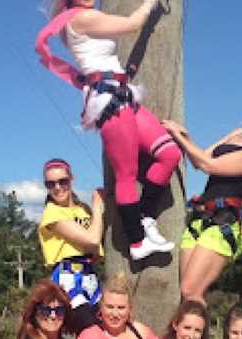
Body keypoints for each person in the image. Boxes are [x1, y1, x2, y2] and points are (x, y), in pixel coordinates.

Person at [36, 0, 182, 261]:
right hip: (109, 99)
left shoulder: (77, 19)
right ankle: (137, 242)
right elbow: (132, 24)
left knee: (169, 153)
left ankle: (146, 217)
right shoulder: (80, 18)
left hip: (122, 95)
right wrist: (151, 3)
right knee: (126, 174)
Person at [161, 96, 242, 303]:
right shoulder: (237, 136)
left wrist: (177, 134)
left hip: (224, 222)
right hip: (201, 217)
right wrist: (222, 137)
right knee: (187, 295)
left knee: (189, 291)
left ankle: (202, 335)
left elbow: (209, 166)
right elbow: (201, 158)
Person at [38, 158, 105, 334]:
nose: (58, 187)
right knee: (92, 333)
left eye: (62, 181)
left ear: (71, 180)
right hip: (68, 278)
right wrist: (97, 206)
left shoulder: (82, 209)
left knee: (105, 331)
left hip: (90, 275)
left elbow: (95, 248)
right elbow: (92, 240)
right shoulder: (51, 213)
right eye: (51, 184)